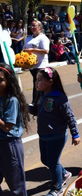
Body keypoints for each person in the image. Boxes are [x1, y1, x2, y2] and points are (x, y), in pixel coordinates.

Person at [31, 67, 81, 196]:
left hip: (56, 136)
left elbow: (70, 117)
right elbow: (37, 111)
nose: (36, 83)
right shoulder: (41, 95)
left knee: (53, 162)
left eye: (39, 80)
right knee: (45, 160)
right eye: (36, 80)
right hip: (44, 135)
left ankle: (57, 187)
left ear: (50, 82)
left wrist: (75, 134)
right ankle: (64, 173)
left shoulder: (59, 98)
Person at [0, 63, 30, 196]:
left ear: (9, 81)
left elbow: (7, 127)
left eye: (0, 80)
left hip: (9, 144)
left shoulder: (11, 100)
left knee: (15, 182)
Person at [23, 19, 50, 104]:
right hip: (32, 65)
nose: (32, 27)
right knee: (36, 83)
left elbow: (46, 51)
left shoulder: (43, 37)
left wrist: (33, 49)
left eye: (34, 26)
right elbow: (24, 49)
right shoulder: (29, 37)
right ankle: (37, 102)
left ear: (39, 27)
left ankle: (37, 102)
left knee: (38, 84)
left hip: (41, 65)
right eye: (31, 26)